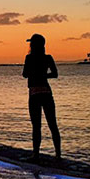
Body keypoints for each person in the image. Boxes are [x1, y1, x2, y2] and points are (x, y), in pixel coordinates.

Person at [22, 33, 61, 162]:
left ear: (33, 45)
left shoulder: (29, 58)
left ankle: (36, 155)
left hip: (34, 94)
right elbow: (55, 74)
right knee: (52, 124)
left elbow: (24, 74)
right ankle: (58, 155)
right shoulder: (48, 58)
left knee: (36, 125)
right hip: (46, 92)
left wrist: (36, 75)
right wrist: (43, 76)